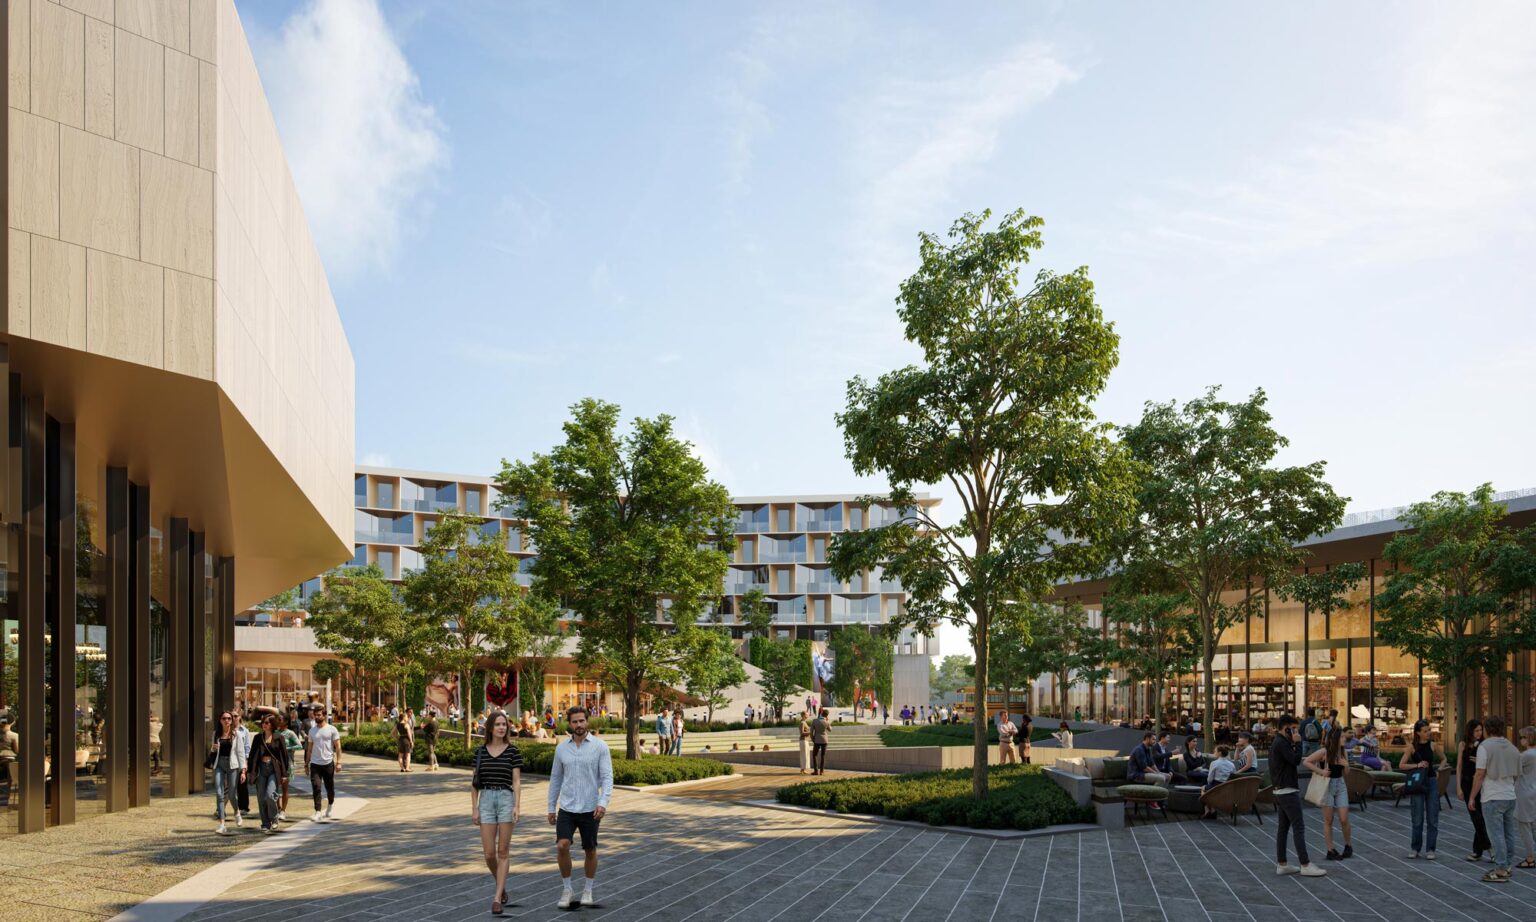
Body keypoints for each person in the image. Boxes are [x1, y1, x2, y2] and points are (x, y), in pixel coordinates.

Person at [547, 706, 613, 909]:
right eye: (574, 722)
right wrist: (551, 806)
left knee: (590, 850)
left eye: (582, 721)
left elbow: (607, 777)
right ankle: (567, 889)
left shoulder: (600, 747)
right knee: (562, 846)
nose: (578, 725)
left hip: (590, 808)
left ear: (587, 721)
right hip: (567, 808)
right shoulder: (561, 748)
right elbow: (556, 778)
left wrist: (603, 803)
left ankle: (588, 889)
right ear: (569, 723)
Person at [473, 710, 523, 915]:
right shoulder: (480, 752)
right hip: (485, 799)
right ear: (490, 727)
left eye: (505, 724)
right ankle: (500, 884)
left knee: (503, 852)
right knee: (489, 854)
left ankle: (496, 898)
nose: (502, 727)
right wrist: (474, 808)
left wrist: (517, 805)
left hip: (505, 799)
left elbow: (517, 781)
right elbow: (474, 783)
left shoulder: (513, 751)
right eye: (499, 724)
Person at [1271, 715, 1327, 877]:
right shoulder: (1282, 743)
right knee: (1298, 827)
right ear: (1285, 728)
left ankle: (1282, 863)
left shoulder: (1279, 742)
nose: (1296, 731)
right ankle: (1305, 864)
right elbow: (1296, 760)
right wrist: (1298, 742)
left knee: (1283, 828)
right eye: (1293, 728)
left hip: (1281, 790)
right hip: (1287, 790)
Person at [1468, 715, 1521, 883]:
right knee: (1508, 832)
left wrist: (1472, 796)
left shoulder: (1485, 747)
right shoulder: (1512, 747)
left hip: (1492, 795)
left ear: (1487, 729)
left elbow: (1480, 774)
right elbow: (1517, 774)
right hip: (1510, 794)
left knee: (1496, 833)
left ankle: (1500, 869)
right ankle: (1507, 865)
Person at [1303, 726, 1353, 860]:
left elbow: (1346, 773)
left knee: (1344, 818)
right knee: (1328, 820)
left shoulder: (1343, 752)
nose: (1345, 739)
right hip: (1327, 786)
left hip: (1340, 785)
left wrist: (1346, 765)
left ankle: (1348, 845)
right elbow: (1306, 761)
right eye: (1342, 737)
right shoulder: (1324, 752)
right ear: (1335, 739)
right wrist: (1321, 772)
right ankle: (1330, 850)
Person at [1401, 718, 1444, 859]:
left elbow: (1444, 759)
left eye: (1429, 730)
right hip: (1418, 783)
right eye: (1425, 731)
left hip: (1431, 782)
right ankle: (1415, 848)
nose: (1428, 733)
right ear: (1418, 733)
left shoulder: (1433, 745)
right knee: (1417, 817)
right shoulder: (1412, 747)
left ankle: (1431, 849)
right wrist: (1417, 765)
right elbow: (1402, 765)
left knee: (1433, 817)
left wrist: (1439, 770)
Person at [1460, 719, 1493, 863]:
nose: (1479, 733)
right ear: (1470, 731)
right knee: (1475, 816)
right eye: (1476, 730)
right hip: (1467, 783)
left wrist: (1479, 761)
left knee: (1480, 817)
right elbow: (1459, 766)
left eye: (1481, 730)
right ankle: (1488, 848)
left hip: (1481, 783)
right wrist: (1458, 787)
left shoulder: (1485, 745)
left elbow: (1490, 765)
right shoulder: (1463, 744)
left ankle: (1478, 851)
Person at [249, 715, 288, 835]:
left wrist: (284, 774)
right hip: (261, 768)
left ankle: (274, 817)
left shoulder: (278, 737)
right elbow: (252, 755)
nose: (264, 724)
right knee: (261, 798)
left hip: (273, 769)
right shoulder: (257, 738)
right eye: (263, 722)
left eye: (266, 722)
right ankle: (265, 823)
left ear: (272, 724)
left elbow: (284, 756)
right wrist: (250, 771)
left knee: (271, 795)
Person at [210, 710, 246, 835]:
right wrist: (213, 748)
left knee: (231, 794)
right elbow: (213, 750)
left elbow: (241, 753)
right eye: (224, 718)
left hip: (233, 765)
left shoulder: (236, 734)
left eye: (229, 719)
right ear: (220, 721)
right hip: (219, 764)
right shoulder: (216, 734)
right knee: (219, 794)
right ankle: (222, 824)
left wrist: (243, 771)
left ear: (232, 721)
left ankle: (236, 812)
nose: (227, 721)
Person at [307, 703, 342, 822]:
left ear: (324, 716)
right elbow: (309, 748)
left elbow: (338, 747)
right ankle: (317, 811)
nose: (316, 717)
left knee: (329, 787)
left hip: (328, 763)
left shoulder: (332, 730)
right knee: (316, 787)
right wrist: (306, 764)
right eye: (315, 715)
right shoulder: (312, 731)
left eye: (318, 715)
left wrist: (339, 762)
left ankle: (330, 804)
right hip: (315, 764)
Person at [1516, 726, 1536, 870]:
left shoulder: (1526, 755)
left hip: (1524, 792)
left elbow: (1512, 769)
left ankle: (1530, 858)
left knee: (1525, 827)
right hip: (1533, 791)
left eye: (1522, 737)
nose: (1520, 740)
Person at [277, 713, 304, 821]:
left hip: (287, 763)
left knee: (284, 788)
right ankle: (277, 808)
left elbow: (299, 745)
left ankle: (283, 810)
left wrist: (286, 747)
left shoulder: (290, 733)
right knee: (274, 788)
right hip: (276, 763)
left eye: (280, 719)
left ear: (286, 722)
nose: (278, 721)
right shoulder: (275, 732)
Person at [810, 707, 831, 775]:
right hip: (824, 740)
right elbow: (830, 730)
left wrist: (812, 738)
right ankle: (822, 771)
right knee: (823, 756)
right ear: (827, 715)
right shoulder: (826, 722)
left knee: (814, 755)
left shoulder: (815, 721)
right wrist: (828, 721)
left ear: (821, 713)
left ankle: (816, 771)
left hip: (817, 740)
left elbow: (811, 731)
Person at [396, 708, 414, 772]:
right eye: (406, 716)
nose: (407, 717)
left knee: (400, 755)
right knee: (408, 754)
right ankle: (407, 768)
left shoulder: (398, 724)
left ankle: (402, 768)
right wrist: (411, 742)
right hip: (406, 740)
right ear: (404, 717)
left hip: (400, 739)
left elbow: (392, 733)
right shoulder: (406, 724)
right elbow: (409, 734)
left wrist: (396, 737)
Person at [798, 710, 812, 775]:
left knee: (805, 755)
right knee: (804, 755)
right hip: (803, 740)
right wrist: (810, 732)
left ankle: (803, 769)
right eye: (807, 714)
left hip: (806, 740)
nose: (808, 715)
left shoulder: (804, 722)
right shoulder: (802, 723)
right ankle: (802, 769)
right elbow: (802, 733)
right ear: (803, 715)